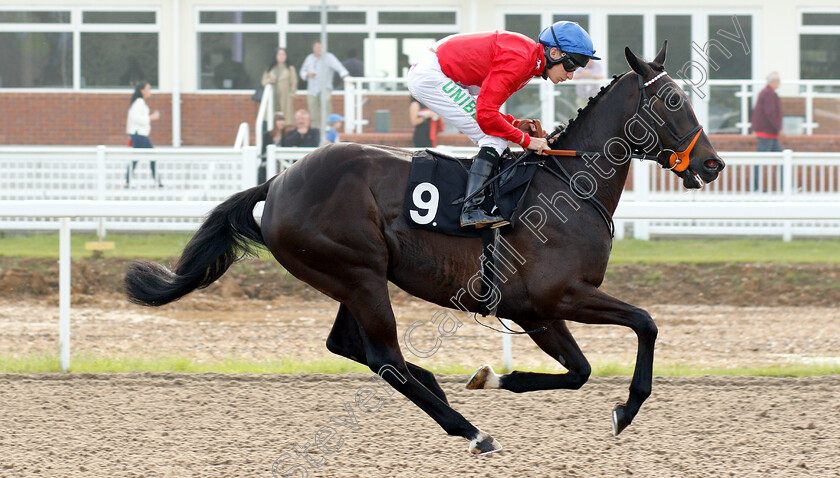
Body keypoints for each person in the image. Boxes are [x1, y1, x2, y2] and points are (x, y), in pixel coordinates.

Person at [407, 21, 600, 228]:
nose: (571, 75)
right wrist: (526, 139)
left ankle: (480, 205)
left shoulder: (529, 62)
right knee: (493, 138)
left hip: (445, 72)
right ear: (554, 53)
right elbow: (486, 116)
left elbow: (488, 110)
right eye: (571, 66)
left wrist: (516, 126)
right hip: (434, 74)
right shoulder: (521, 60)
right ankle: (471, 209)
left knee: (496, 134)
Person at [299, 41, 350, 130]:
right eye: (316, 47)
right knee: (313, 111)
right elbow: (302, 72)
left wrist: (346, 76)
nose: (318, 49)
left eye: (320, 47)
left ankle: (327, 128)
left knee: (326, 105)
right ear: (313, 48)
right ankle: (315, 130)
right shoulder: (309, 58)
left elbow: (339, 67)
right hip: (312, 89)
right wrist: (307, 75)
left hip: (325, 87)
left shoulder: (329, 57)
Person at [125, 81, 161, 188]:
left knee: (137, 158)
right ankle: (157, 181)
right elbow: (135, 118)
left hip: (139, 135)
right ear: (142, 91)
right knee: (150, 156)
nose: (150, 91)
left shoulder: (139, 102)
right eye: (148, 88)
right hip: (139, 135)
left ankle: (127, 181)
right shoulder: (139, 102)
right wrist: (151, 117)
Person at [751, 72, 783, 191]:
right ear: (773, 81)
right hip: (767, 133)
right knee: (763, 160)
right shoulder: (769, 93)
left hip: (770, 133)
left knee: (782, 159)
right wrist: (779, 128)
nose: (779, 84)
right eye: (778, 81)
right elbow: (770, 113)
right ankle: (755, 187)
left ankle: (785, 186)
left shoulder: (767, 93)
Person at [261, 48, 298, 120]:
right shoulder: (270, 68)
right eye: (279, 54)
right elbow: (263, 82)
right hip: (273, 95)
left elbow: (294, 82)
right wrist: (269, 80)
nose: (281, 56)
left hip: (285, 96)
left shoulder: (290, 68)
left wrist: (292, 95)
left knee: (285, 118)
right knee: (272, 117)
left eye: (283, 54)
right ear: (275, 56)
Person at [259, 112, 288, 183]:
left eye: (283, 120)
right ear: (274, 122)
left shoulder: (287, 135)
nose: (281, 122)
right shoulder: (267, 135)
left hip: (283, 164)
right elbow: (263, 151)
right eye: (279, 120)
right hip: (268, 163)